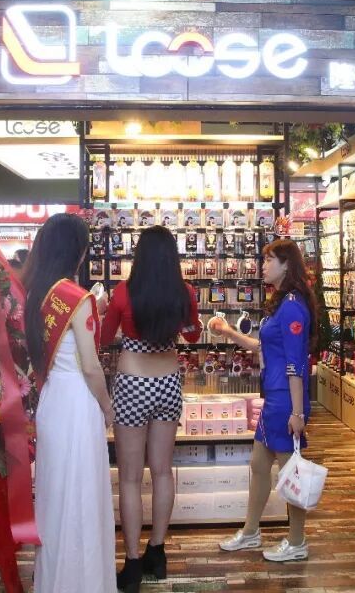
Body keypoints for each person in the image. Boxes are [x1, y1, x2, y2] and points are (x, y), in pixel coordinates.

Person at [100, 226, 202, 593]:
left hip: (133, 383)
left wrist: (103, 312)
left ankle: (131, 563)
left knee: (130, 477)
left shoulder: (123, 292)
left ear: (139, 255)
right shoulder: (184, 292)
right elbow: (192, 334)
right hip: (168, 382)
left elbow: (103, 338)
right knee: (162, 471)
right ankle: (157, 552)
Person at [21, 213, 116, 593]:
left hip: (52, 400)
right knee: (83, 494)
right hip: (78, 402)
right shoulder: (78, 299)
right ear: (77, 250)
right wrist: (108, 407)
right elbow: (90, 367)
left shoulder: (36, 295)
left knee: (55, 495)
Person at [211, 238, 318, 563]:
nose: (263, 265)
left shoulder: (293, 306)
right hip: (274, 398)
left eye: (269, 260)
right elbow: (262, 346)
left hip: (286, 400)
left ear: (286, 265)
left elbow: (295, 363)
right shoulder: (282, 303)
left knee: (291, 473)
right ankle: (251, 531)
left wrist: (298, 412)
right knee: (259, 466)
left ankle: (297, 541)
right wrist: (229, 332)